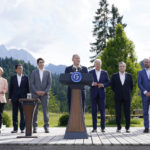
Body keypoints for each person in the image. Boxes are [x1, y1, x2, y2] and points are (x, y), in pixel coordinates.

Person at [30, 58, 52, 133]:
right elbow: (31, 83)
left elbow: (49, 84)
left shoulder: (48, 72)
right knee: (35, 111)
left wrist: (44, 92)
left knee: (45, 111)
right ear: (37, 64)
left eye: (43, 62)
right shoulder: (34, 72)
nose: (41, 63)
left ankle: (46, 127)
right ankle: (35, 127)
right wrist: (36, 91)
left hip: (45, 95)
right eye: (40, 62)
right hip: (35, 95)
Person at [111, 62, 133, 133]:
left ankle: (127, 128)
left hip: (127, 97)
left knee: (127, 113)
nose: (122, 67)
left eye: (123, 66)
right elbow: (112, 86)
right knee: (118, 113)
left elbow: (131, 86)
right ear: (118, 67)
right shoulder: (114, 76)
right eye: (120, 66)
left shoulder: (129, 76)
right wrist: (118, 92)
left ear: (125, 67)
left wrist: (127, 92)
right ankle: (118, 127)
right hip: (118, 97)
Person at [89, 59, 110, 132]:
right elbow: (87, 82)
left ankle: (103, 128)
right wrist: (92, 83)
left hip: (102, 94)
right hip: (93, 94)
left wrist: (103, 85)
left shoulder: (105, 72)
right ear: (94, 64)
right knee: (94, 111)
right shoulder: (90, 72)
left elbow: (108, 82)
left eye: (99, 63)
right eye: (96, 63)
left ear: (101, 64)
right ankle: (94, 128)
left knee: (102, 111)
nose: (97, 65)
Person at [9, 64, 29, 133]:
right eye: (19, 68)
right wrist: (9, 98)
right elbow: (10, 88)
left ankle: (22, 128)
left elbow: (27, 89)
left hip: (23, 98)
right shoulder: (13, 78)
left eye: (21, 68)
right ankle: (15, 129)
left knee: (23, 114)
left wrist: (27, 98)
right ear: (16, 70)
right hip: (14, 98)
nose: (20, 70)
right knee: (14, 113)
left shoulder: (26, 77)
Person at [138, 58, 150, 133]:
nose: (146, 63)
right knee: (145, 112)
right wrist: (145, 91)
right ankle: (146, 127)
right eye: (145, 62)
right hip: (145, 95)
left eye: (147, 62)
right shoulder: (140, 72)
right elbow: (139, 83)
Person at [0, 67, 8, 133]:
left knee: (0, 114)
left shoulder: (4, 80)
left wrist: (3, 91)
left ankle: (0, 127)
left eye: (0, 71)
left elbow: (6, 89)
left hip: (2, 99)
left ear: (2, 72)